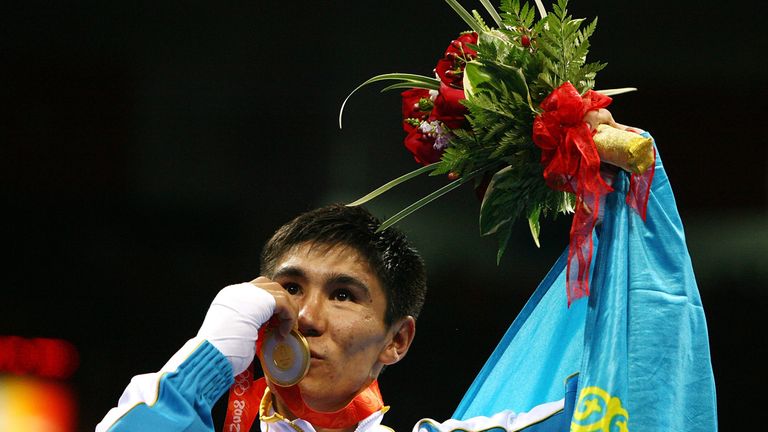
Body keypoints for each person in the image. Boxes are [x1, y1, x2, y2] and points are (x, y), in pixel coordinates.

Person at [96, 203, 574, 432]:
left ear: (397, 340)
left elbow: (617, 400)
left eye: (343, 295)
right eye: (289, 289)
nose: (304, 316)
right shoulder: (163, 408)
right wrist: (210, 359)